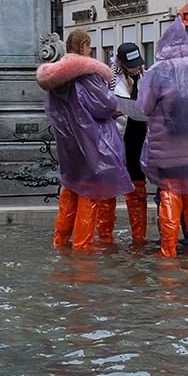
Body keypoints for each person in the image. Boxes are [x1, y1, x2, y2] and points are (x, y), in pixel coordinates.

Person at [37, 30, 133, 251]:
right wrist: (114, 108)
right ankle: (83, 247)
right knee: (89, 193)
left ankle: (60, 241)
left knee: (70, 189)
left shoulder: (55, 79)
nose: (90, 51)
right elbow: (104, 104)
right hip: (90, 140)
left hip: (68, 144)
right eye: (89, 46)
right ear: (82, 46)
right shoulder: (87, 74)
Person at [137, 19, 188, 257]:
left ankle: (169, 252)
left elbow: (144, 107)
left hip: (167, 152)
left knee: (170, 195)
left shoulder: (157, 72)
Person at [114, 42, 150, 245]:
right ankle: (106, 236)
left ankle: (139, 235)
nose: (135, 68)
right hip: (121, 134)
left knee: (138, 181)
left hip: (141, 133)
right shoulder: (111, 80)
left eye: (137, 64)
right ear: (120, 62)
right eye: (131, 64)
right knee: (113, 184)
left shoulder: (146, 78)